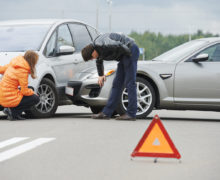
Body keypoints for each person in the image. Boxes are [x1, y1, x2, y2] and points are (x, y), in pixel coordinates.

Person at [81, 33, 139, 120]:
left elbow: (119, 45)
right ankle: (106, 113)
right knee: (116, 84)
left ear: (93, 52)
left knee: (130, 82)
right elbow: (99, 61)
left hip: (130, 50)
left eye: (91, 58)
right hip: (124, 55)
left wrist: (129, 57)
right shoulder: (98, 49)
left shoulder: (102, 44)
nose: (93, 59)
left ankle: (131, 113)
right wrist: (101, 75)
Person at [0, 50, 40, 120]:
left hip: (2, 94)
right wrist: (33, 93)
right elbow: (24, 91)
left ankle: (9, 109)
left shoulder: (14, 64)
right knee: (35, 98)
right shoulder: (22, 70)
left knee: (30, 89)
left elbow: (1, 69)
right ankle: (14, 113)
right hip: (7, 97)